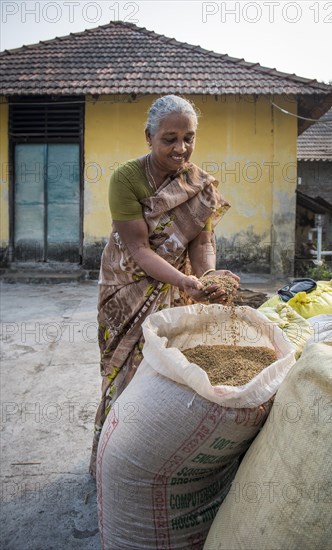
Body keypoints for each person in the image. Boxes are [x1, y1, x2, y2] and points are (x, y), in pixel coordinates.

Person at [90, 95, 239, 476]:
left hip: (178, 283)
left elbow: (202, 243)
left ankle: (159, 457)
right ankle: (115, 460)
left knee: (172, 372)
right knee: (129, 372)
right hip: (128, 286)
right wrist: (187, 279)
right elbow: (139, 249)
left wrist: (207, 278)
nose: (181, 148)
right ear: (149, 136)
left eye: (189, 138)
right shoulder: (127, 178)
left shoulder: (199, 185)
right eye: (169, 139)